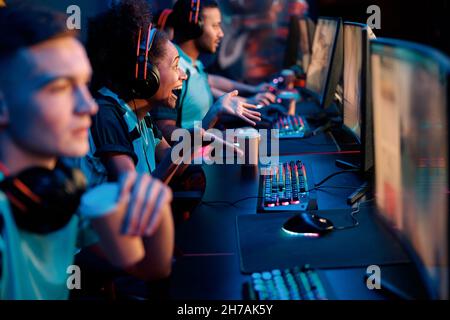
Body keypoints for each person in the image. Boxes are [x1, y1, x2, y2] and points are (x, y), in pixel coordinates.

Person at [0, 4, 174, 299]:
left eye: (83, 84)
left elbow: (150, 268)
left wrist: (159, 213)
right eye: (60, 87)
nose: (88, 106)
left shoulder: (56, 191)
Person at [84, 0, 259, 185]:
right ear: (148, 75)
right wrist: (192, 140)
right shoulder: (107, 114)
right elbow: (136, 195)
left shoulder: (142, 115)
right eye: (175, 66)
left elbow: (173, 163)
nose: (182, 75)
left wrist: (200, 132)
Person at [151, 0, 274, 143]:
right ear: (195, 28)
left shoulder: (193, 63)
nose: (221, 33)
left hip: (206, 146)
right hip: (193, 159)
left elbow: (208, 81)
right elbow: (165, 130)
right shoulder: (175, 69)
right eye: (215, 26)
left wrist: (251, 92)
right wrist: (213, 137)